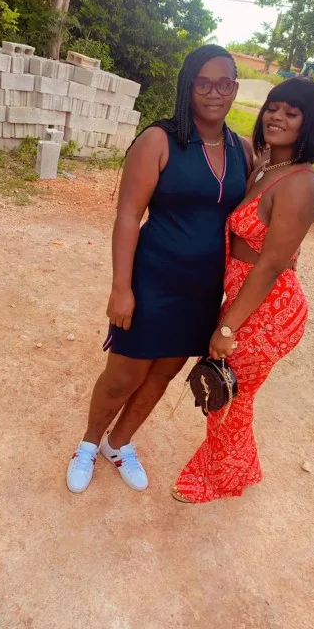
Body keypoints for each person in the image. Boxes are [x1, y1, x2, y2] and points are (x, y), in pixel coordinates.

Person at [66, 45, 253, 493]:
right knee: (124, 376)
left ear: (234, 89)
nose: (213, 92)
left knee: (164, 374)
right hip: (152, 282)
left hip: (202, 291)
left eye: (223, 83)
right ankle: (88, 444)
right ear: (188, 86)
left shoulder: (243, 150)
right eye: (203, 82)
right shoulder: (159, 140)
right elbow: (128, 216)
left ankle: (119, 444)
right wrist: (121, 288)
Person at [172, 77, 314, 504]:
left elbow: (273, 264)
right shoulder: (264, 165)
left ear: (310, 124)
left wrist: (228, 328)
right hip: (248, 299)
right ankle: (243, 467)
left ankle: (219, 481)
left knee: (228, 396)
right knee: (234, 394)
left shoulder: (301, 183)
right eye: (273, 107)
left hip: (270, 309)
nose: (277, 117)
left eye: (291, 113)